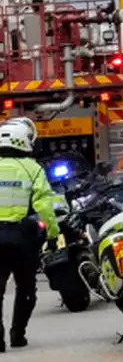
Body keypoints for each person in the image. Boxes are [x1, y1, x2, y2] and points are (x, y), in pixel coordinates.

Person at [0, 121, 57, 351]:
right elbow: (44, 206)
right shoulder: (32, 169)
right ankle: (17, 334)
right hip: (23, 237)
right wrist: (53, 234)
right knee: (25, 288)